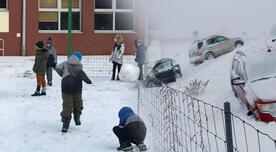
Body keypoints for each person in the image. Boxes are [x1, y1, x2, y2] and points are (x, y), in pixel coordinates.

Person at [55, 51, 92, 133]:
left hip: (65, 87)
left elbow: (57, 68)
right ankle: (77, 117)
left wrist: (63, 75)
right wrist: (87, 80)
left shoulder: (65, 63)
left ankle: (65, 124)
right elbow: (81, 73)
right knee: (78, 102)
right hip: (76, 87)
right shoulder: (79, 65)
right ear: (79, 58)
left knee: (67, 105)